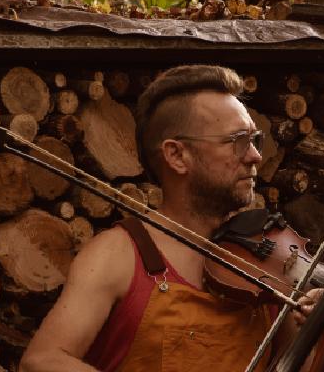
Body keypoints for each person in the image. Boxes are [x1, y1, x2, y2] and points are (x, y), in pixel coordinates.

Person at [20, 65, 297, 371]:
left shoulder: (264, 263)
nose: (256, 156)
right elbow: (42, 361)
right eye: (238, 141)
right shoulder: (118, 255)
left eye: (254, 140)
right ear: (177, 156)